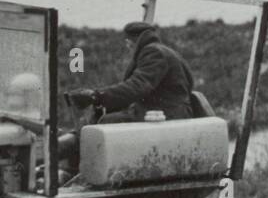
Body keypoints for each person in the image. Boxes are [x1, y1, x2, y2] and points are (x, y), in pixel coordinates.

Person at [67, 21, 195, 122]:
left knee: (106, 122)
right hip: (171, 112)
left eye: (128, 46)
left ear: (129, 43)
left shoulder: (153, 52)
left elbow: (137, 86)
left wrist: (97, 96)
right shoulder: (164, 50)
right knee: (110, 117)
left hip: (167, 114)